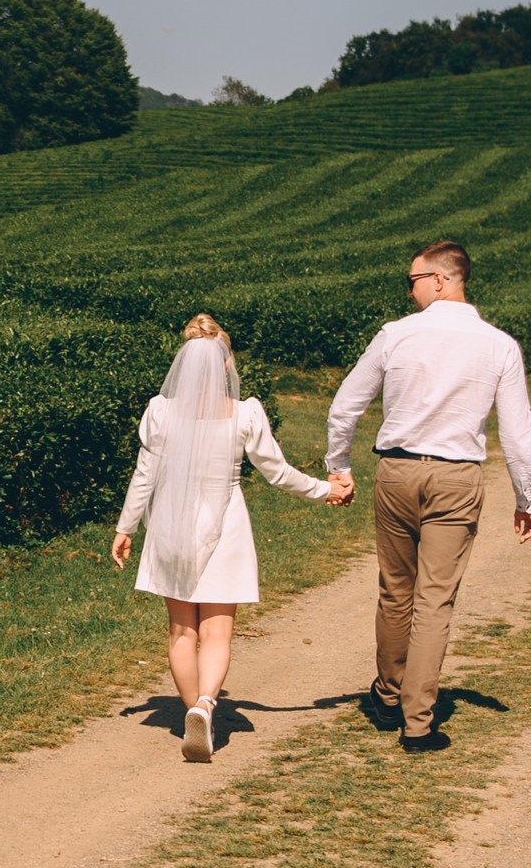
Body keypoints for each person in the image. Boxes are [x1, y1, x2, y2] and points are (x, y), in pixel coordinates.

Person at [325, 240, 531, 755]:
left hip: (397, 473)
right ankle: (417, 724)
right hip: (456, 479)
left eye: (414, 280)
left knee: (395, 590)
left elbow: (345, 406)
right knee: (434, 600)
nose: (410, 290)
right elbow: (518, 432)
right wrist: (526, 496)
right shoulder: (498, 345)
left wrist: (339, 466)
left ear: (442, 279)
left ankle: (386, 692)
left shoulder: (396, 335)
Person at [112, 314, 355, 763]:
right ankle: (206, 704)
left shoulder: (160, 411)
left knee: (181, 630)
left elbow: (144, 476)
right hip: (225, 521)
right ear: (226, 365)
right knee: (218, 630)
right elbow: (277, 473)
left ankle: (191, 711)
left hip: (171, 521)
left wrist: (125, 527)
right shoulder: (245, 412)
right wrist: (326, 490)